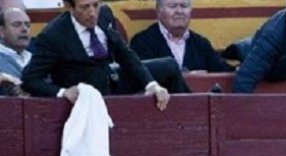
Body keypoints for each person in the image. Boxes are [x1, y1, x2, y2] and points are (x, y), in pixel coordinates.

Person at [21, 0, 190, 111]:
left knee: (169, 65)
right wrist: (63, 92)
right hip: (89, 92)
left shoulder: (105, 14)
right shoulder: (53, 36)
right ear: (69, 7)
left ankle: (191, 112)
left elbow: (124, 53)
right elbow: (29, 80)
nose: (93, 12)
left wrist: (151, 84)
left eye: (96, 4)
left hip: (111, 77)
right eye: (85, 7)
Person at [130, 0, 233, 73]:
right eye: (172, 6)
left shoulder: (201, 44)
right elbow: (142, 78)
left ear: (190, 11)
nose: (179, 11)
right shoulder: (142, 42)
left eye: (184, 6)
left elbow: (224, 72)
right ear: (159, 11)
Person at [0, 7, 29, 95]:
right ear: (1, 31)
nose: (25, 29)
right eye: (17, 24)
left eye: (28, 25)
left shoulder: (38, 58)